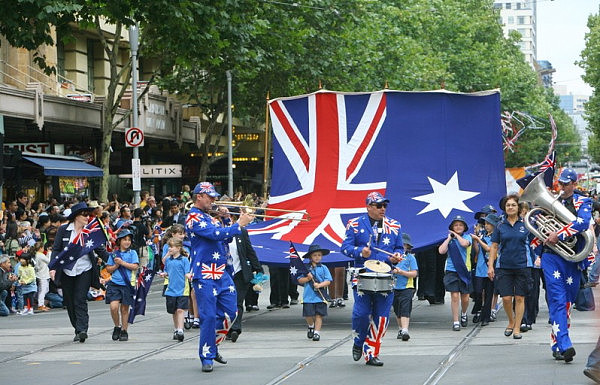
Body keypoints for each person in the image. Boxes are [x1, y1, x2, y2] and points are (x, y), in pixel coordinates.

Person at [185, 182, 254, 373]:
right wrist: (239, 223)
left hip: (221, 271)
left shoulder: (210, 217)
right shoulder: (193, 217)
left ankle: (213, 346)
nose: (214, 200)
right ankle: (207, 354)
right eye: (210, 197)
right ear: (199, 196)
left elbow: (227, 237)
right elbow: (214, 235)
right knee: (207, 316)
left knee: (231, 312)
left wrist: (226, 220)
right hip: (205, 273)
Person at [341, 191, 404, 366]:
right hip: (362, 275)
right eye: (379, 206)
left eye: (385, 205)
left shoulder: (394, 225)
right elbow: (344, 248)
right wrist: (360, 252)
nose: (383, 209)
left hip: (385, 275)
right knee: (361, 314)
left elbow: (400, 248)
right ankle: (359, 341)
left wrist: (396, 256)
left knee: (382, 318)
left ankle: (371, 352)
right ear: (368, 207)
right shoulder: (354, 224)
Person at [539, 168, 592, 362]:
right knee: (558, 299)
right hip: (551, 256)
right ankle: (565, 343)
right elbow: (538, 225)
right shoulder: (552, 203)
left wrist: (559, 234)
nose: (562, 187)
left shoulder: (583, 201)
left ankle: (557, 343)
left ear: (574, 185)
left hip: (573, 258)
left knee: (566, 302)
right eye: (560, 183)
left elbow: (583, 223)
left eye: (566, 184)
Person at [50, 202, 109, 343]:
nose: (87, 217)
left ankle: (82, 329)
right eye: (84, 214)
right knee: (69, 300)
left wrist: (114, 261)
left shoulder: (89, 231)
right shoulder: (63, 230)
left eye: (89, 215)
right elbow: (56, 249)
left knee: (80, 299)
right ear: (76, 216)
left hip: (85, 269)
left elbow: (100, 249)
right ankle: (77, 328)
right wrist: (52, 267)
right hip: (66, 270)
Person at [488, 194, 530, 340]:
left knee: (519, 298)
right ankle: (511, 321)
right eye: (508, 205)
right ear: (505, 208)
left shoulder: (526, 225)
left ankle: (517, 327)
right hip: (504, 266)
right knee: (506, 298)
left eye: (513, 205)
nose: (510, 207)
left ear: (518, 207)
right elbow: (494, 246)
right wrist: (490, 266)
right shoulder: (500, 226)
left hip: (522, 265)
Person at [222, 208, 263, 343]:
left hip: (240, 272)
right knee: (225, 303)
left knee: (238, 302)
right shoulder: (219, 233)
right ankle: (225, 328)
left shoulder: (242, 232)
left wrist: (258, 269)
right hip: (224, 273)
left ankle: (235, 329)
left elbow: (249, 250)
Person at [438, 215, 473, 331]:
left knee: (465, 298)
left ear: (464, 227)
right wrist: (449, 238)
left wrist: (456, 235)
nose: (458, 227)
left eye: (460, 225)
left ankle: (463, 313)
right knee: (454, 296)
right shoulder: (449, 239)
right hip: (452, 270)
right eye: (456, 225)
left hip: (464, 270)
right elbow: (441, 251)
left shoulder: (468, 237)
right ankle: (455, 321)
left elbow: (464, 244)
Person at [104, 229, 139, 342]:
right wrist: (116, 266)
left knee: (124, 309)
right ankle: (117, 326)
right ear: (119, 241)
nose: (127, 242)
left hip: (127, 284)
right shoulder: (114, 254)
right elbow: (108, 269)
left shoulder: (132, 253)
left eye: (129, 240)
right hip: (115, 284)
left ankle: (124, 330)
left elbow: (135, 266)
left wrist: (122, 263)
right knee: (113, 306)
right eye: (124, 239)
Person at [297, 244, 332, 342]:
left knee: (319, 315)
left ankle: (317, 333)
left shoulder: (324, 268)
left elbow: (328, 280)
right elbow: (300, 280)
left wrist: (320, 285)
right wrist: (307, 278)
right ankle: (311, 325)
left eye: (319, 255)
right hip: (308, 296)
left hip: (320, 296)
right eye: (315, 255)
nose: (317, 257)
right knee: (308, 315)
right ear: (310, 257)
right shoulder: (305, 269)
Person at [470, 214, 500, 327]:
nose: (486, 226)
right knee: (477, 291)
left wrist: (478, 239)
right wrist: (475, 242)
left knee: (489, 293)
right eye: (485, 224)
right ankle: (478, 310)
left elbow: (489, 248)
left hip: (491, 267)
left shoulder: (497, 237)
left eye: (489, 224)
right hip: (480, 267)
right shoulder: (482, 235)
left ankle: (485, 316)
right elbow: (478, 251)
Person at [162, 237, 192, 342]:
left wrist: (188, 275)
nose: (169, 249)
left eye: (172, 247)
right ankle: (176, 328)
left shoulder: (184, 260)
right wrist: (164, 274)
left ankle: (180, 329)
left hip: (182, 289)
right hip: (171, 289)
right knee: (174, 311)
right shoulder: (168, 261)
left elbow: (187, 272)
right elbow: (167, 271)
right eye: (169, 247)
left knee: (180, 310)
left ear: (178, 248)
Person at [392, 233, 418, 341]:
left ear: (408, 246)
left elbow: (414, 273)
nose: (402, 246)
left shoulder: (410, 258)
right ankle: (400, 328)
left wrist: (402, 272)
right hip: (393, 287)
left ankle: (405, 330)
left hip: (407, 287)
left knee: (405, 309)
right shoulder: (391, 258)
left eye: (404, 244)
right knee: (397, 309)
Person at [33, 241, 51, 311]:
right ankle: (40, 304)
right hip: (42, 275)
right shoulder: (40, 255)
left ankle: (41, 302)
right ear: (40, 248)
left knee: (45, 289)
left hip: (42, 274)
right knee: (43, 290)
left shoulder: (38, 255)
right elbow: (49, 261)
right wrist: (49, 253)